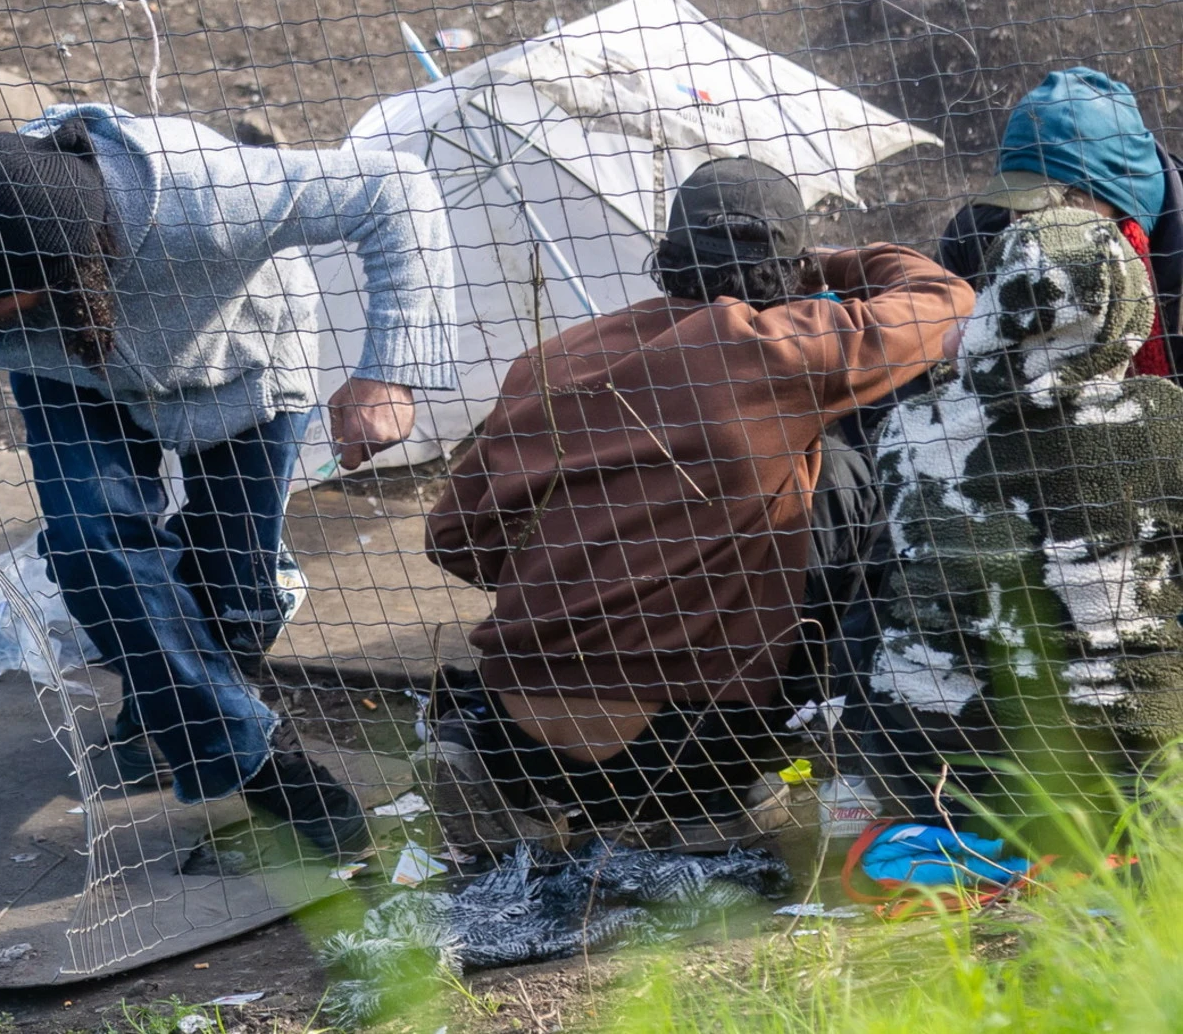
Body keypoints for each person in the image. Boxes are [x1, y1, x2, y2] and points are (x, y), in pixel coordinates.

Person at [0, 105, 457, 856]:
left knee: (235, 600)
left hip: (239, 352)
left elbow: (394, 187)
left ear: (72, 271)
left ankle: (166, 700)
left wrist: (388, 373)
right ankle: (256, 761)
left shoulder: (207, 198)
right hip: (74, 369)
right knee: (92, 543)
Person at [423, 157, 973, 834]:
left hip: (522, 722)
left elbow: (454, 541)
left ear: (668, 255)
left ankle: (482, 748)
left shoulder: (549, 361)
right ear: (791, 271)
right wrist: (832, 263)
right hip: (693, 738)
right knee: (837, 473)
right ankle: (813, 731)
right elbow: (945, 298)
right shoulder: (773, 349)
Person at [868, 208, 1183, 811]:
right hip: (1123, 762)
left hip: (930, 764)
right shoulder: (1164, 422)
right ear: (1125, 304)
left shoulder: (908, 427)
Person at [940, 67, 1183, 382]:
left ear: (1125, 205)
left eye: (1061, 209)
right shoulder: (976, 239)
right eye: (1021, 209)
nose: (1033, 236)